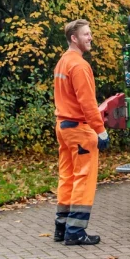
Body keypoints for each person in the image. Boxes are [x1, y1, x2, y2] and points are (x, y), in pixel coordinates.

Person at [53, 19, 109, 246]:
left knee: (67, 176)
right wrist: (101, 131)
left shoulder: (62, 63)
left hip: (63, 126)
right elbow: (88, 103)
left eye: (90, 33)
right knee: (84, 178)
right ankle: (75, 232)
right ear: (74, 38)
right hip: (79, 129)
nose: (90, 37)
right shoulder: (79, 66)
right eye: (86, 34)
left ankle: (62, 226)